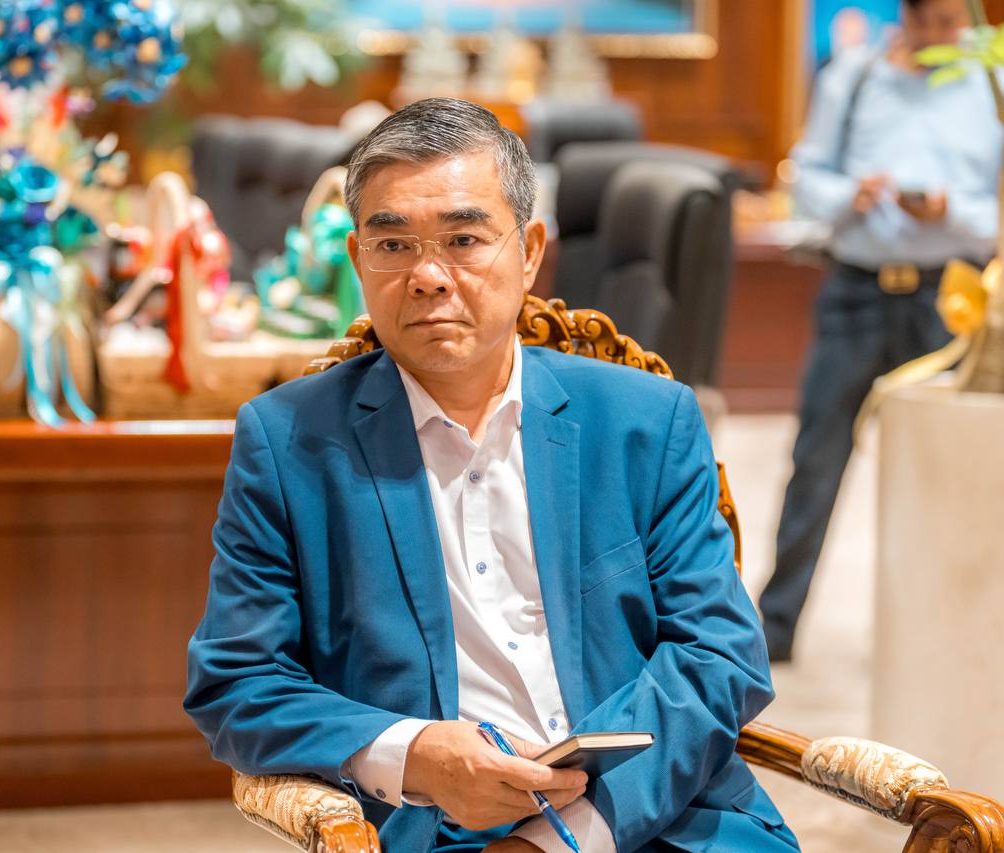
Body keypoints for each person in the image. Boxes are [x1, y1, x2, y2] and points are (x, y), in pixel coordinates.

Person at [185, 98, 798, 853]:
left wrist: (555, 840)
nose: (428, 276)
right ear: (356, 259)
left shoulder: (645, 420)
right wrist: (415, 755)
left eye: (464, 240)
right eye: (393, 244)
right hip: (443, 832)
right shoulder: (288, 442)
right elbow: (238, 681)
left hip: (664, 816)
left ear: (530, 251)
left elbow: (720, 653)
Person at [758, 0, 1003, 662]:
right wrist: (851, 196)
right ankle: (775, 626)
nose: (945, 36)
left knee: (947, 467)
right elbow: (807, 179)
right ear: (907, 15)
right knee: (816, 459)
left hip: (950, 299)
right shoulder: (853, 76)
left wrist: (952, 209)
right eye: (933, 23)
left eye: (956, 22)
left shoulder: (992, 85)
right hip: (856, 291)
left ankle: (944, 627)